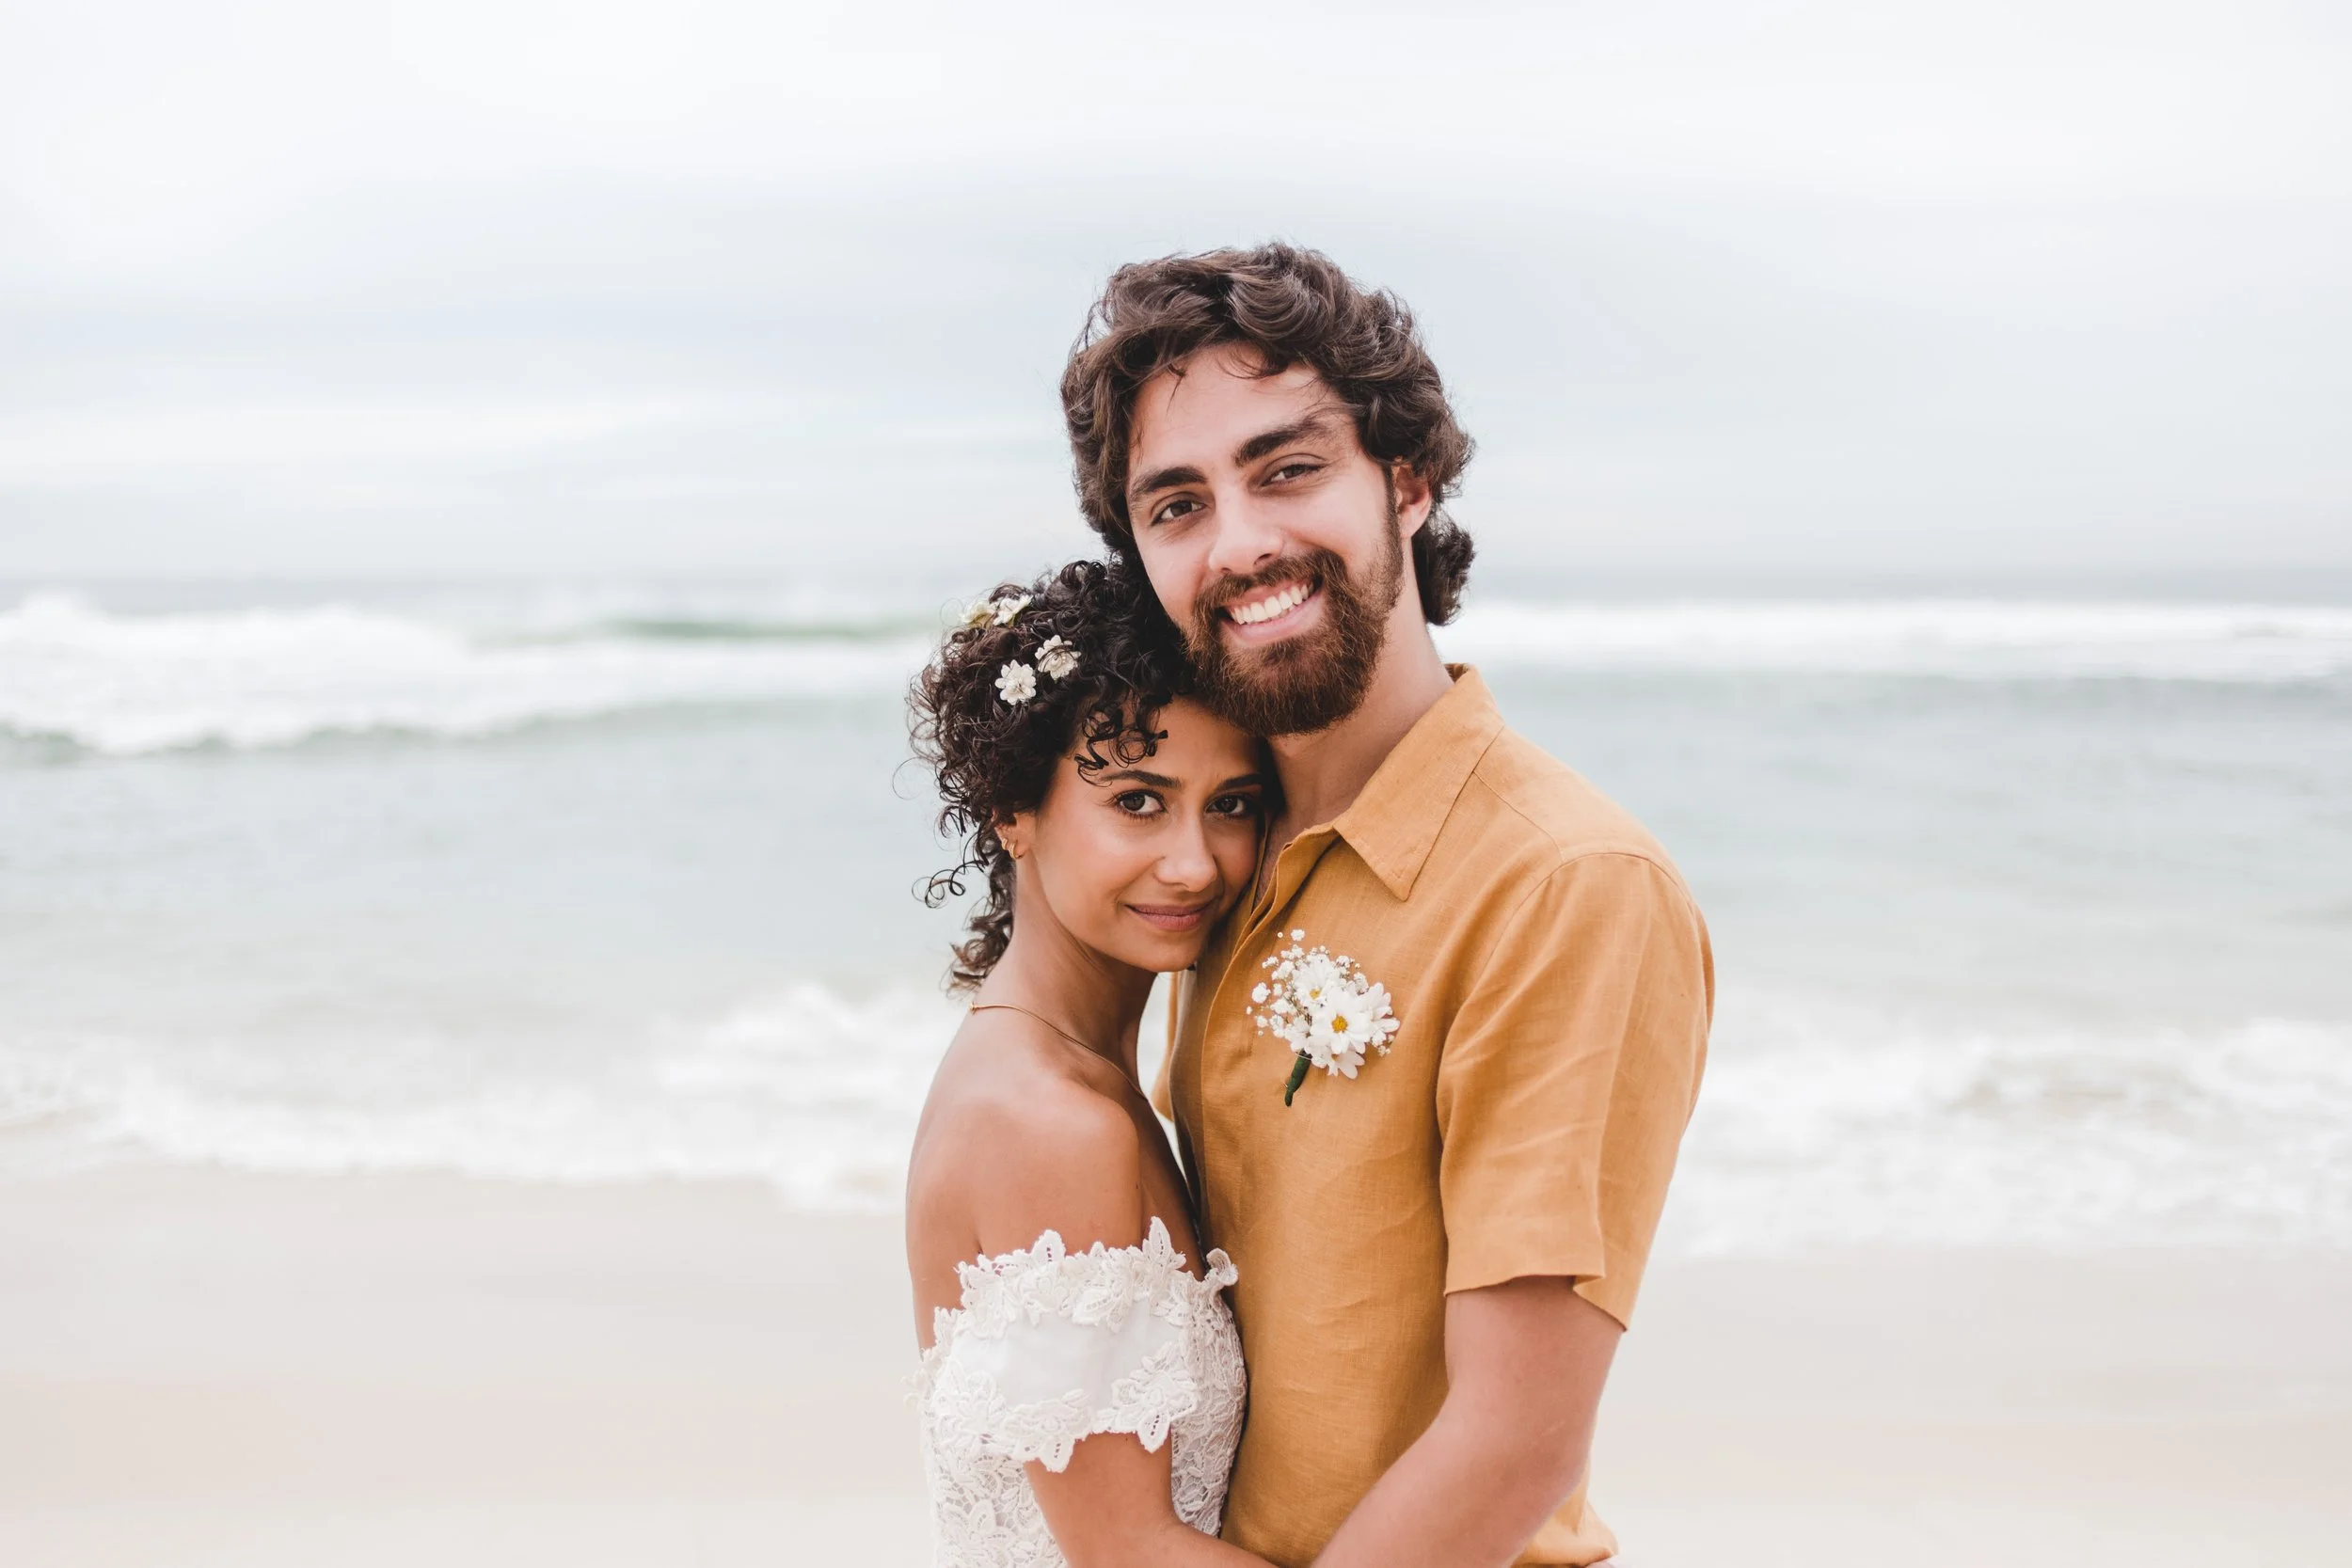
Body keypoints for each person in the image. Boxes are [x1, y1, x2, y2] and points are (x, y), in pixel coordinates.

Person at [1057, 244, 1714, 1567]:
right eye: (1176, 504)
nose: (1239, 542)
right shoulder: (1218, 855)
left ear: (1407, 479)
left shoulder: (1564, 883)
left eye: (1287, 469)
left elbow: (1517, 1442)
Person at [904, 558, 1283, 1567]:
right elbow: (1131, 1552)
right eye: (1139, 801)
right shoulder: (1050, 1123)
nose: (1196, 862)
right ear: (1010, 809)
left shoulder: (1033, 1063)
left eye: (1234, 803)